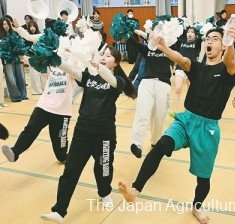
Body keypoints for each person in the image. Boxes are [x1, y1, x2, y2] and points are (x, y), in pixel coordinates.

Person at [118, 26, 235, 224]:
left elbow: (230, 62)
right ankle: (135, 189)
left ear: (222, 44)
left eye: (215, 39)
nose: (209, 41)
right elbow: (181, 59)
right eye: (207, 38)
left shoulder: (227, 71)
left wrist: (231, 42)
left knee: (203, 178)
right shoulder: (197, 68)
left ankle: (196, 207)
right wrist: (163, 46)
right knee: (161, 147)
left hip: (207, 128)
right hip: (186, 120)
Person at [40, 46, 137, 224]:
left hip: (104, 134)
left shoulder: (118, 80)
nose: (103, 57)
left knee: (103, 169)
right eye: (102, 54)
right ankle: (59, 211)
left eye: (108, 56)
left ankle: (105, 193)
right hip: (82, 132)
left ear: (115, 62)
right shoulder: (89, 76)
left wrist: (97, 66)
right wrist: (55, 58)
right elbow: (72, 70)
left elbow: (111, 79)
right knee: (70, 171)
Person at [1, 19, 76, 163]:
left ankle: (67, 157)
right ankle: (14, 152)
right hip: (44, 106)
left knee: (60, 151)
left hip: (62, 112)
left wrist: (72, 51)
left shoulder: (72, 70)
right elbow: (30, 60)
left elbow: (81, 69)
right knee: (30, 130)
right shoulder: (49, 65)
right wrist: (18, 54)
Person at [127, 28, 177, 158]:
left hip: (164, 85)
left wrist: (161, 40)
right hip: (147, 83)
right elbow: (135, 44)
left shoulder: (169, 49)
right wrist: (127, 34)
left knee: (159, 117)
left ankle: (155, 141)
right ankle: (137, 144)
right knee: (142, 113)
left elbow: (174, 45)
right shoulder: (148, 50)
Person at [172, 26, 202, 113]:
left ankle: (189, 111)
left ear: (195, 35)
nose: (190, 33)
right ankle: (175, 112)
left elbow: (202, 37)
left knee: (190, 91)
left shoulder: (197, 42)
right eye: (188, 32)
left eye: (192, 32)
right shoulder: (181, 41)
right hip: (180, 67)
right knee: (178, 89)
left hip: (191, 69)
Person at [0, 16, 28, 102]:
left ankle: (23, 95)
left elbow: (22, 43)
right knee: (11, 78)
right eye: (4, 24)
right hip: (7, 59)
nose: (6, 25)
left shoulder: (15, 33)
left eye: (8, 24)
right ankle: (15, 96)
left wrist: (20, 51)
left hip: (18, 58)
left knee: (21, 77)